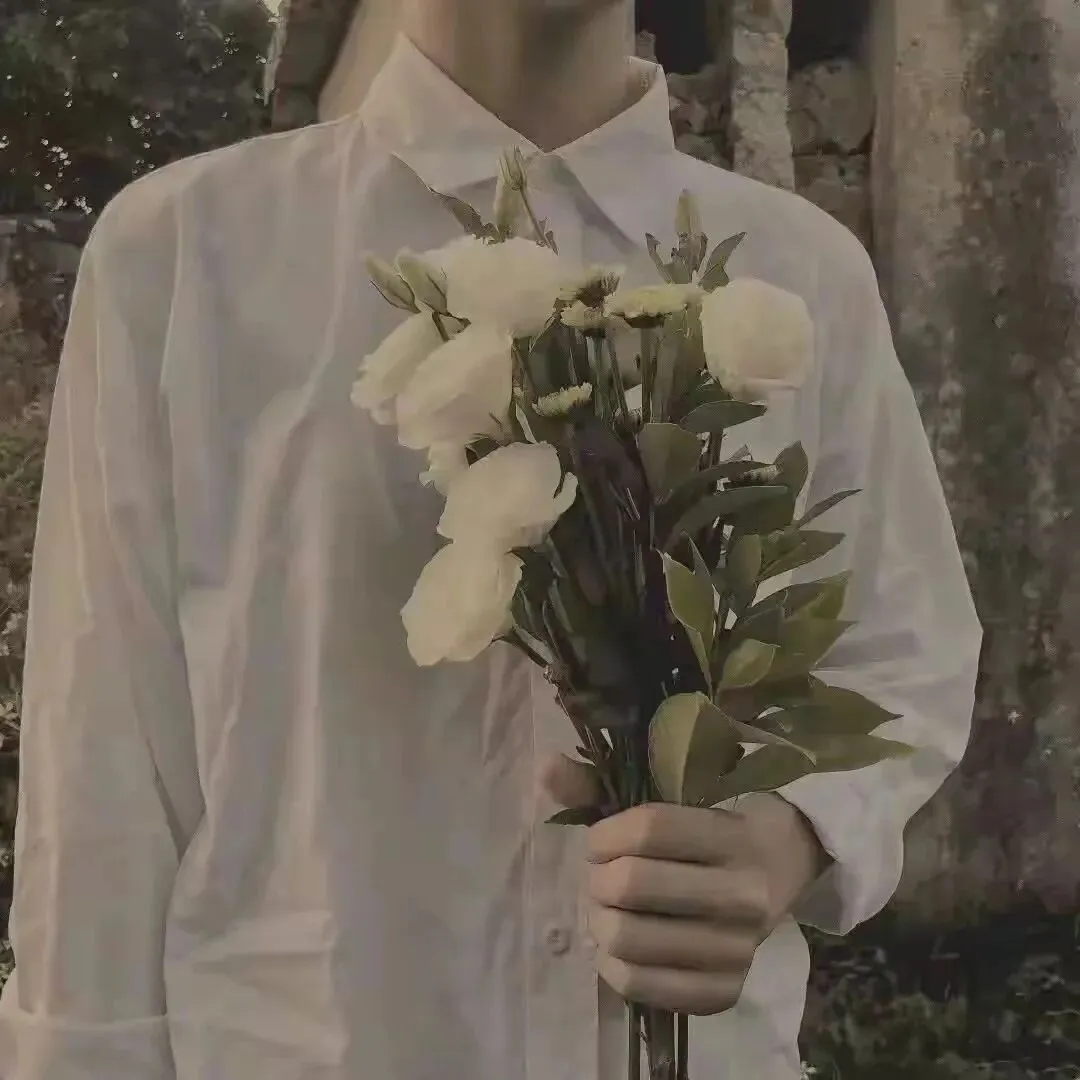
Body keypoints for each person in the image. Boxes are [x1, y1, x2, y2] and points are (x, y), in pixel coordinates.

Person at [0, 0, 981, 1078]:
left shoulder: (800, 282)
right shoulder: (189, 257)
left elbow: (905, 648)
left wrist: (791, 831)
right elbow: (103, 766)